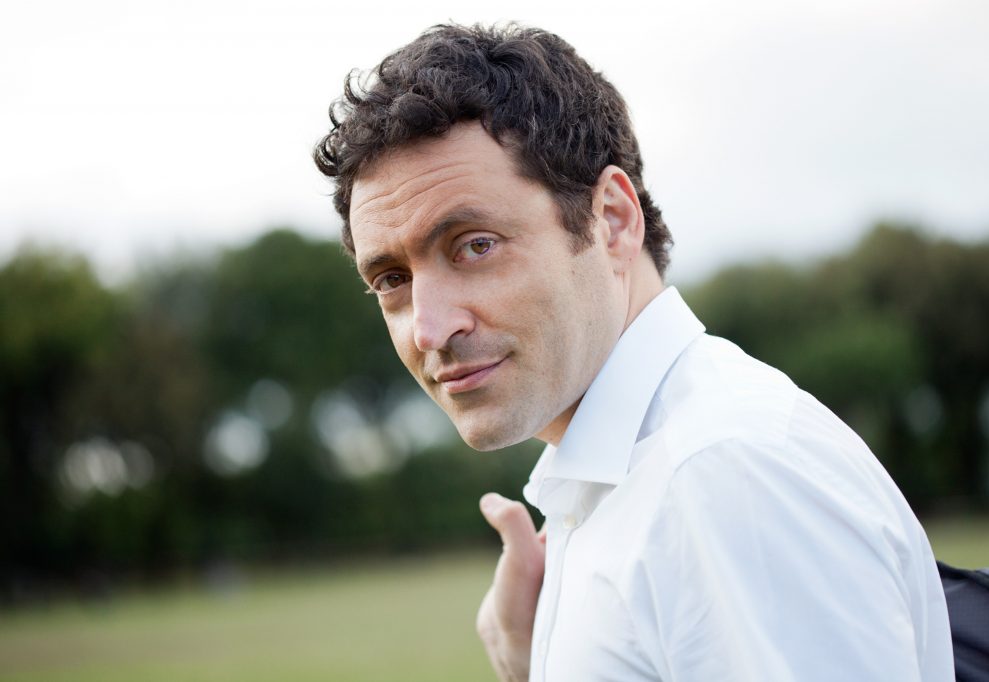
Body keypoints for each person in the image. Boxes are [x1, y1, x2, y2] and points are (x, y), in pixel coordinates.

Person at [314, 23, 954, 681]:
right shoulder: (632, 477)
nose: (429, 329)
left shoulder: (721, 473)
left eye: (476, 245)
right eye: (391, 280)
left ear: (613, 221)